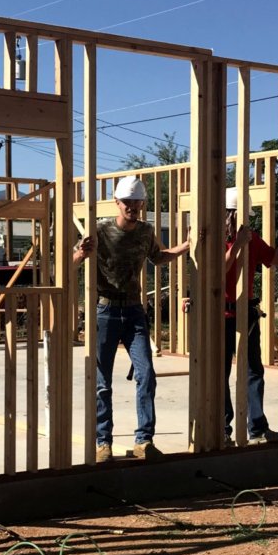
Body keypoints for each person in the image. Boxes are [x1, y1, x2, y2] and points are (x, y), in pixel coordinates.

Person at [73, 175, 190, 462]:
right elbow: (71, 261)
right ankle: (103, 443)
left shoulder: (146, 231)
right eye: (127, 202)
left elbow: (158, 257)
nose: (132, 207)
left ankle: (144, 441)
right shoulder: (100, 231)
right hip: (105, 311)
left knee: (146, 374)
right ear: (117, 203)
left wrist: (186, 246)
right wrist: (79, 253)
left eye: (137, 202)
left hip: (134, 310)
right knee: (102, 381)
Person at [222, 188, 278, 445]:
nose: (243, 222)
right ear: (227, 214)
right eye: (236, 216)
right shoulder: (217, 239)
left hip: (247, 313)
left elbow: (273, 260)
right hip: (222, 313)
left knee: (254, 371)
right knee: (220, 373)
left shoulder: (251, 237)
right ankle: (222, 430)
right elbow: (217, 270)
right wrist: (237, 246)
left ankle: (257, 430)